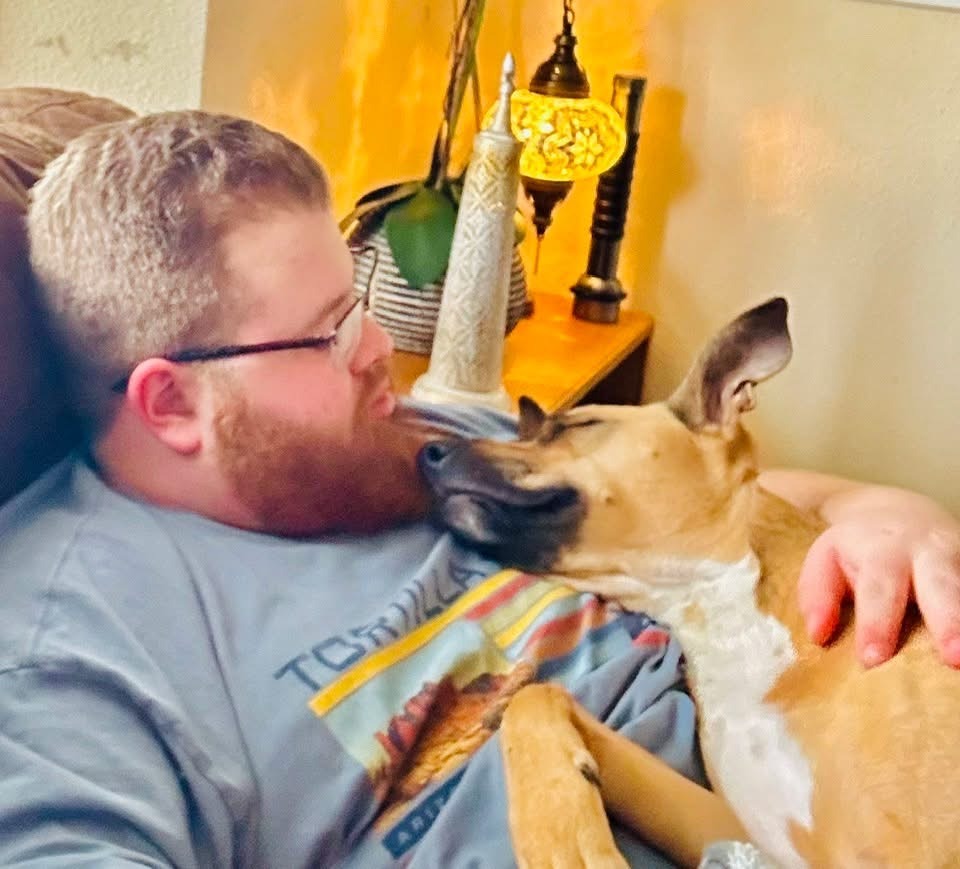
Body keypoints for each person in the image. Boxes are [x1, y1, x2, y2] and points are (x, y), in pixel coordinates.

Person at [0, 110, 956, 868]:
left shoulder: (400, 436)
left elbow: (702, 496)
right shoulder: (71, 658)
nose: (379, 349)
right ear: (172, 404)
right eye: (331, 332)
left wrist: (876, 514)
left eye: (360, 305)